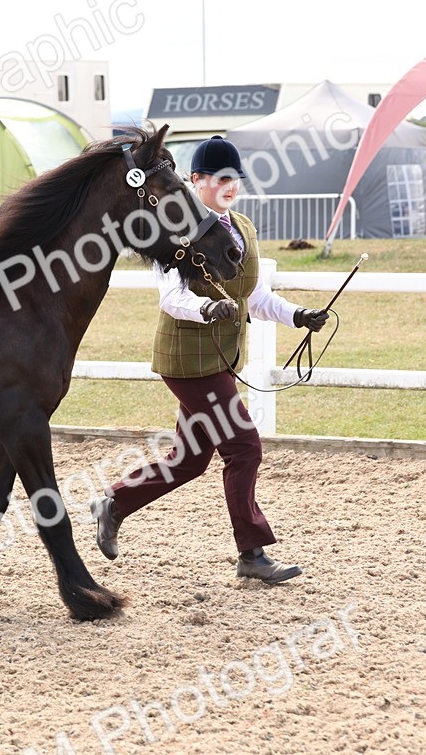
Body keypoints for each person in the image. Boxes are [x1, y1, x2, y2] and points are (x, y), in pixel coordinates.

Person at [89, 136, 327, 584]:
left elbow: (253, 297)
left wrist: (298, 315)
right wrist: (206, 308)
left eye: (234, 178)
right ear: (195, 181)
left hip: (219, 358)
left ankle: (114, 502)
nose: (229, 186)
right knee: (244, 447)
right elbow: (172, 297)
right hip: (186, 358)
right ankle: (252, 554)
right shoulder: (175, 227)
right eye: (219, 178)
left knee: (190, 459)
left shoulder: (243, 228)